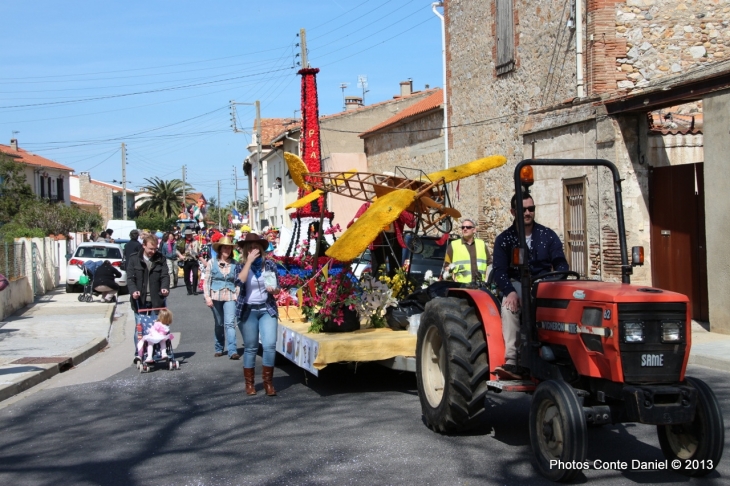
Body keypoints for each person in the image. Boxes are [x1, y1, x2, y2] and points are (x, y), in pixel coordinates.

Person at [492, 192, 569, 379]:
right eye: (523, 209)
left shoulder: (547, 235)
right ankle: (512, 360)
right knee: (510, 306)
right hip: (517, 282)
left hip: (544, 282)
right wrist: (509, 292)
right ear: (513, 212)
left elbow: (561, 264)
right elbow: (499, 271)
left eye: (531, 209)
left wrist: (557, 278)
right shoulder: (504, 240)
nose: (528, 212)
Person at [235, 233, 279, 396]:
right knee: (251, 347)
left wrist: (274, 290)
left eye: (257, 246)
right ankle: (250, 384)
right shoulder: (240, 265)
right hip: (248, 310)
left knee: (269, 346)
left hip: (267, 308)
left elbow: (278, 288)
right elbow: (239, 281)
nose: (254, 249)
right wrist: (249, 262)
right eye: (251, 246)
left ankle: (268, 383)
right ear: (246, 249)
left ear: (261, 248)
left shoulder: (270, 265)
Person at [127, 234, 171, 352]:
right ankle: (140, 353)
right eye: (150, 248)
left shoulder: (160, 259)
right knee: (140, 330)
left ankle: (156, 352)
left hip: (156, 300)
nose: (153, 251)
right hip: (139, 301)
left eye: (155, 249)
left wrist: (165, 287)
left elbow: (165, 276)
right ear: (144, 246)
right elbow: (130, 278)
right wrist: (133, 291)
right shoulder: (134, 259)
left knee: (157, 328)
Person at [203, 236, 241, 359]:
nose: (227, 250)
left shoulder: (235, 264)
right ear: (220, 249)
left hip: (230, 295)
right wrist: (207, 297)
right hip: (215, 295)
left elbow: (238, 282)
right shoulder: (211, 262)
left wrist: (237, 294)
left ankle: (232, 351)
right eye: (225, 248)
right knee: (219, 324)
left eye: (229, 248)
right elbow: (207, 281)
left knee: (230, 323)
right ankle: (219, 347)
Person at [442, 218, 492, 284]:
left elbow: (490, 264)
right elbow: (446, 265)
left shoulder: (481, 244)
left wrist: (487, 279)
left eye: (468, 227)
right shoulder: (453, 245)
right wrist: (454, 280)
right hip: (461, 286)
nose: (465, 229)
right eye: (463, 227)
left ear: (474, 230)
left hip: (480, 285)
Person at [177, 229, 200, 295]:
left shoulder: (195, 241)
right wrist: (180, 255)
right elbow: (176, 250)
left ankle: (194, 290)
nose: (189, 236)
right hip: (186, 261)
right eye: (187, 235)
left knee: (195, 275)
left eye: (190, 235)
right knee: (186, 276)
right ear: (185, 235)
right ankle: (189, 290)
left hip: (194, 260)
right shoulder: (181, 241)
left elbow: (198, 251)